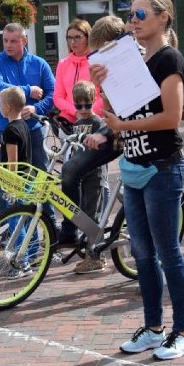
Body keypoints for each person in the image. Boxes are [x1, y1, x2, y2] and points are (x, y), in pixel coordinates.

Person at [90, 0, 184, 361]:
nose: (133, 22)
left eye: (140, 15)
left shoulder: (169, 59)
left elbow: (172, 117)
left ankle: (183, 331)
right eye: (131, 15)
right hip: (134, 166)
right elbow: (120, 115)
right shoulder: (136, 60)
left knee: (168, 252)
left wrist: (121, 124)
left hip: (162, 166)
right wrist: (102, 85)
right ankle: (153, 329)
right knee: (142, 254)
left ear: (163, 17)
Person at [58, 16, 127, 251]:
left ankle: (88, 236)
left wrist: (104, 131)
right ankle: (73, 230)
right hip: (111, 129)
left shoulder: (129, 65)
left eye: (100, 51)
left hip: (121, 133)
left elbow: (124, 110)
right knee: (69, 171)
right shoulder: (103, 68)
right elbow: (110, 105)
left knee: (91, 181)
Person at [0, 23, 56, 217]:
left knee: (40, 175)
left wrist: (36, 108)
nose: (8, 45)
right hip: (5, 128)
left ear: (24, 41)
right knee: (9, 178)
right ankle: (9, 225)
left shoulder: (39, 63)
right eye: (5, 41)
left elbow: (53, 93)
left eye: (13, 41)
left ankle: (49, 220)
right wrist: (28, 90)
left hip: (34, 128)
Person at [65, 81, 106, 275]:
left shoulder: (97, 123)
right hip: (81, 175)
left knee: (91, 215)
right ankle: (89, 249)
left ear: (94, 101)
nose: (83, 110)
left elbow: (100, 150)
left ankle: (96, 256)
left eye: (87, 105)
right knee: (80, 213)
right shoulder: (77, 124)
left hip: (94, 175)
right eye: (78, 105)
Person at [52, 19, 104, 124]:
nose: (72, 42)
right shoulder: (63, 64)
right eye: (69, 38)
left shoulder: (98, 61)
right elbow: (58, 97)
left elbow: (105, 95)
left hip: (94, 120)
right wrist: (76, 112)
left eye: (77, 37)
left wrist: (88, 113)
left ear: (88, 38)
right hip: (68, 121)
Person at [0, 87, 31, 167]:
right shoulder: (23, 124)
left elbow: (12, 162)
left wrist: (9, 179)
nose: (0, 107)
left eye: (0, 105)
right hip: (26, 173)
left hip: (15, 177)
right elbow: (19, 147)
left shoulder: (10, 130)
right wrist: (1, 146)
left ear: (7, 108)